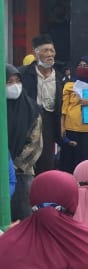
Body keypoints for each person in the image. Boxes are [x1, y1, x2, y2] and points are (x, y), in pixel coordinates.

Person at [6, 64, 43, 221]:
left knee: (23, 214)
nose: (15, 86)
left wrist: (14, 165)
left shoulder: (31, 109)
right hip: (2, 170)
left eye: (18, 81)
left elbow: (35, 142)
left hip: (22, 171)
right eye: (9, 82)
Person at [20, 33, 61, 174]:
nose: (50, 54)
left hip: (49, 122)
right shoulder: (23, 74)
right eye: (45, 51)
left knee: (46, 162)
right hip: (29, 121)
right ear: (36, 53)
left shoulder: (59, 77)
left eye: (52, 50)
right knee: (25, 161)